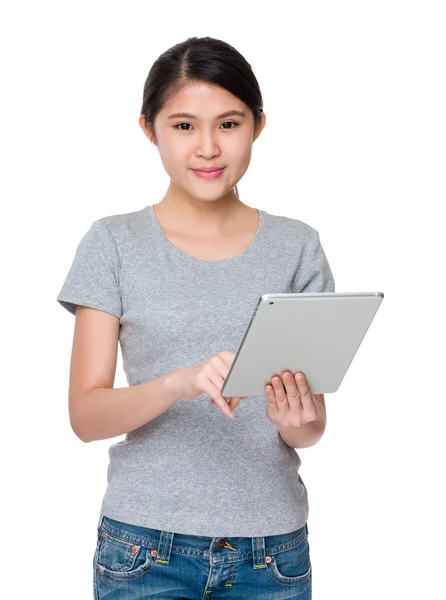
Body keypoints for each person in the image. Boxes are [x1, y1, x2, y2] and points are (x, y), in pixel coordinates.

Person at [57, 35, 334, 600]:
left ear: (257, 126)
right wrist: (180, 383)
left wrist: (294, 415)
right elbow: (86, 416)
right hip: (143, 550)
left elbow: (309, 429)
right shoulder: (113, 243)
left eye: (228, 125)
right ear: (148, 129)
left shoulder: (297, 247)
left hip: (272, 550)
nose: (207, 147)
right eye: (183, 126)